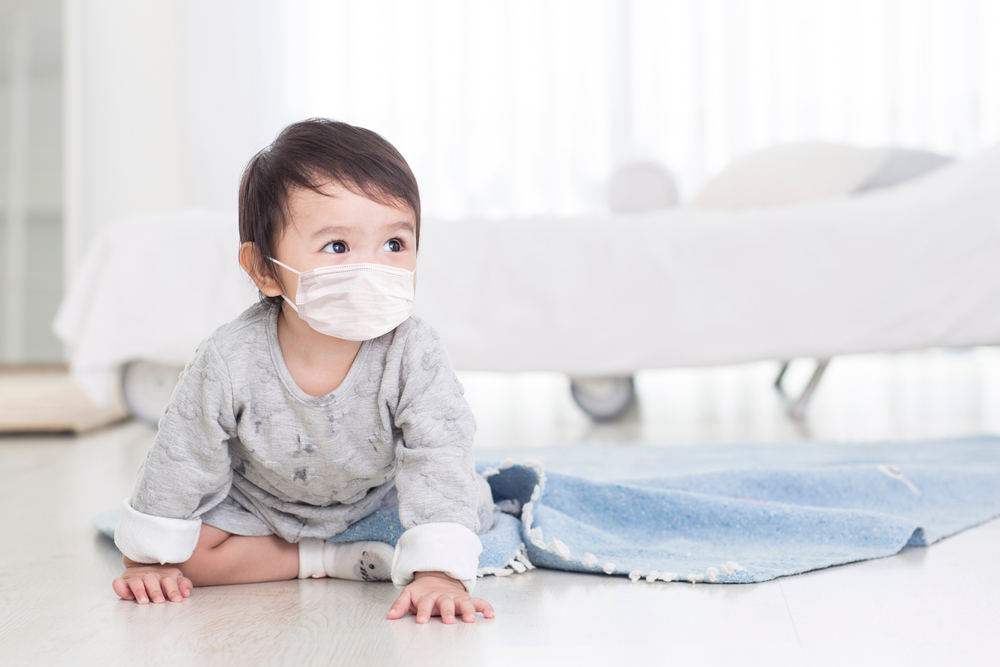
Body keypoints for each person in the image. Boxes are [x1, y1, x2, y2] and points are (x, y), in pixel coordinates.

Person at [111, 119, 496, 625]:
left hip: (377, 497)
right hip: (262, 506)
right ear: (265, 270)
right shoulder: (231, 357)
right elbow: (184, 452)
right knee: (182, 557)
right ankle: (328, 558)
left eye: (395, 244)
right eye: (337, 247)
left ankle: (365, 547)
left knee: (466, 508)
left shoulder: (412, 349)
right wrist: (147, 556)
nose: (371, 269)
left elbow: (437, 452)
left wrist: (440, 572)